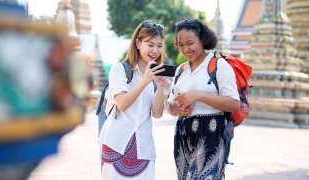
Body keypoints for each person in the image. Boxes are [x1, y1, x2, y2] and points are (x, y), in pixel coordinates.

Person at [167, 18, 240, 180]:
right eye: (180, 44)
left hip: (212, 136)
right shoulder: (180, 71)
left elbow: (235, 104)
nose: (185, 48)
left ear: (202, 40)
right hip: (184, 137)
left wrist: (199, 95)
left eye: (190, 43)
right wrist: (177, 108)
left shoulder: (219, 65)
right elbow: (170, 105)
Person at [98, 20, 166, 180]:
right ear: (137, 43)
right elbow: (122, 104)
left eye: (160, 45)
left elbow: (156, 114)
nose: (155, 50)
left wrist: (161, 86)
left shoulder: (153, 77)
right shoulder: (119, 69)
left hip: (144, 148)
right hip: (117, 144)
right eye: (150, 45)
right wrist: (144, 81)